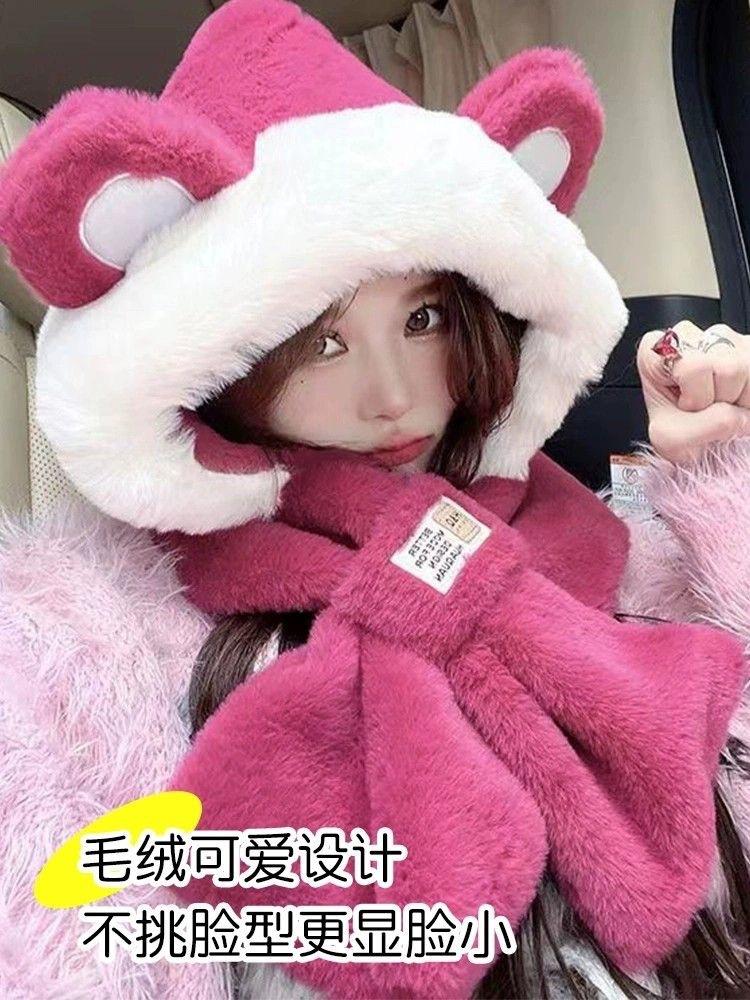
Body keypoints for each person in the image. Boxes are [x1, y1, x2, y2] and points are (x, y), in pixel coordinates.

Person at [0, 1, 748, 998]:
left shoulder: (579, 534)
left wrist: (719, 477)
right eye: (322, 341)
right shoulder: (83, 638)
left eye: (424, 317)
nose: (395, 397)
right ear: (215, 367)